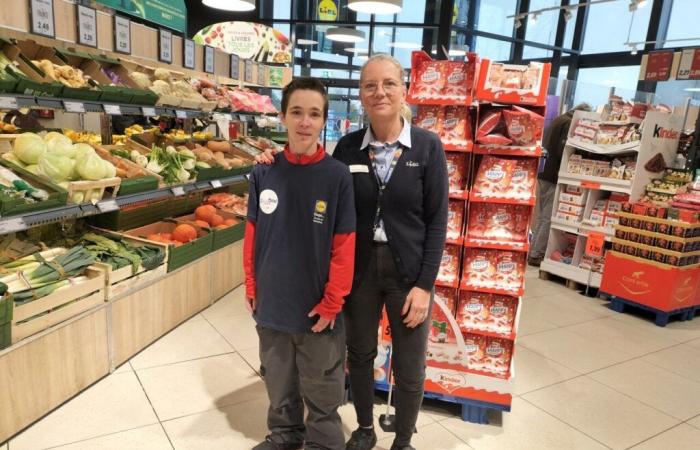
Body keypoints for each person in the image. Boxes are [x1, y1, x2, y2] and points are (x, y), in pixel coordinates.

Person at [256, 54, 449, 450]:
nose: (380, 92)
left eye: (388, 84)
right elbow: (309, 169)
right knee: (359, 354)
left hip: (407, 274)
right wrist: (269, 160)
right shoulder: (347, 148)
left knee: (410, 364)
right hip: (359, 272)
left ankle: (404, 440)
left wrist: (425, 284)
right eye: (370, 85)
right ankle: (364, 428)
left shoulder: (427, 148)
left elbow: (437, 221)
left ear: (403, 89)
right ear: (360, 94)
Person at [244, 77, 357, 450]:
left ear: (324, 120)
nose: (304, 122)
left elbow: (344, 246)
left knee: (322, 388)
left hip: (317, 308)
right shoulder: (263, 171)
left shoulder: (337, 175)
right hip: (273, 303)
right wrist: (251, 285)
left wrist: (333, 300)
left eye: (313, 114)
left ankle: (323, 443)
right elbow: (252, 236)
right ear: (283, 117)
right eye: (296, 112)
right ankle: (284, 436)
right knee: (278, 381)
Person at [528, 103, 590, 267]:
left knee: (541, 217)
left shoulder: (558, 119)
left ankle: (532, 250)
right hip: (553, 175)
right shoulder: (568, 123)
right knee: (547, 218)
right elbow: (562, 150)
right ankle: (536, 254)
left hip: (542, 172)